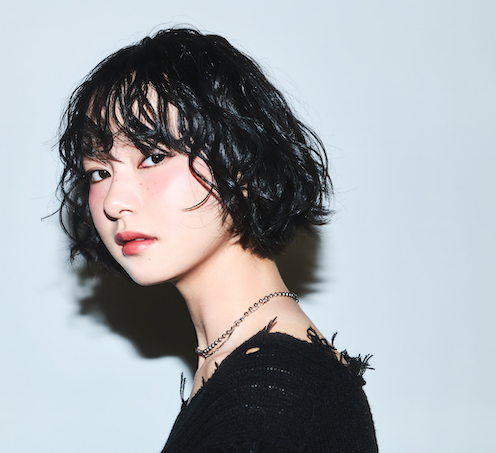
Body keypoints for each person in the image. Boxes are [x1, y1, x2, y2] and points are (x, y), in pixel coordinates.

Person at [57, 27, 378, 452]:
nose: (114, 202)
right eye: (99, 172)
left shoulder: (267, 400)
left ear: (243, 163)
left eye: (153, 156)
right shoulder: (246, 368)